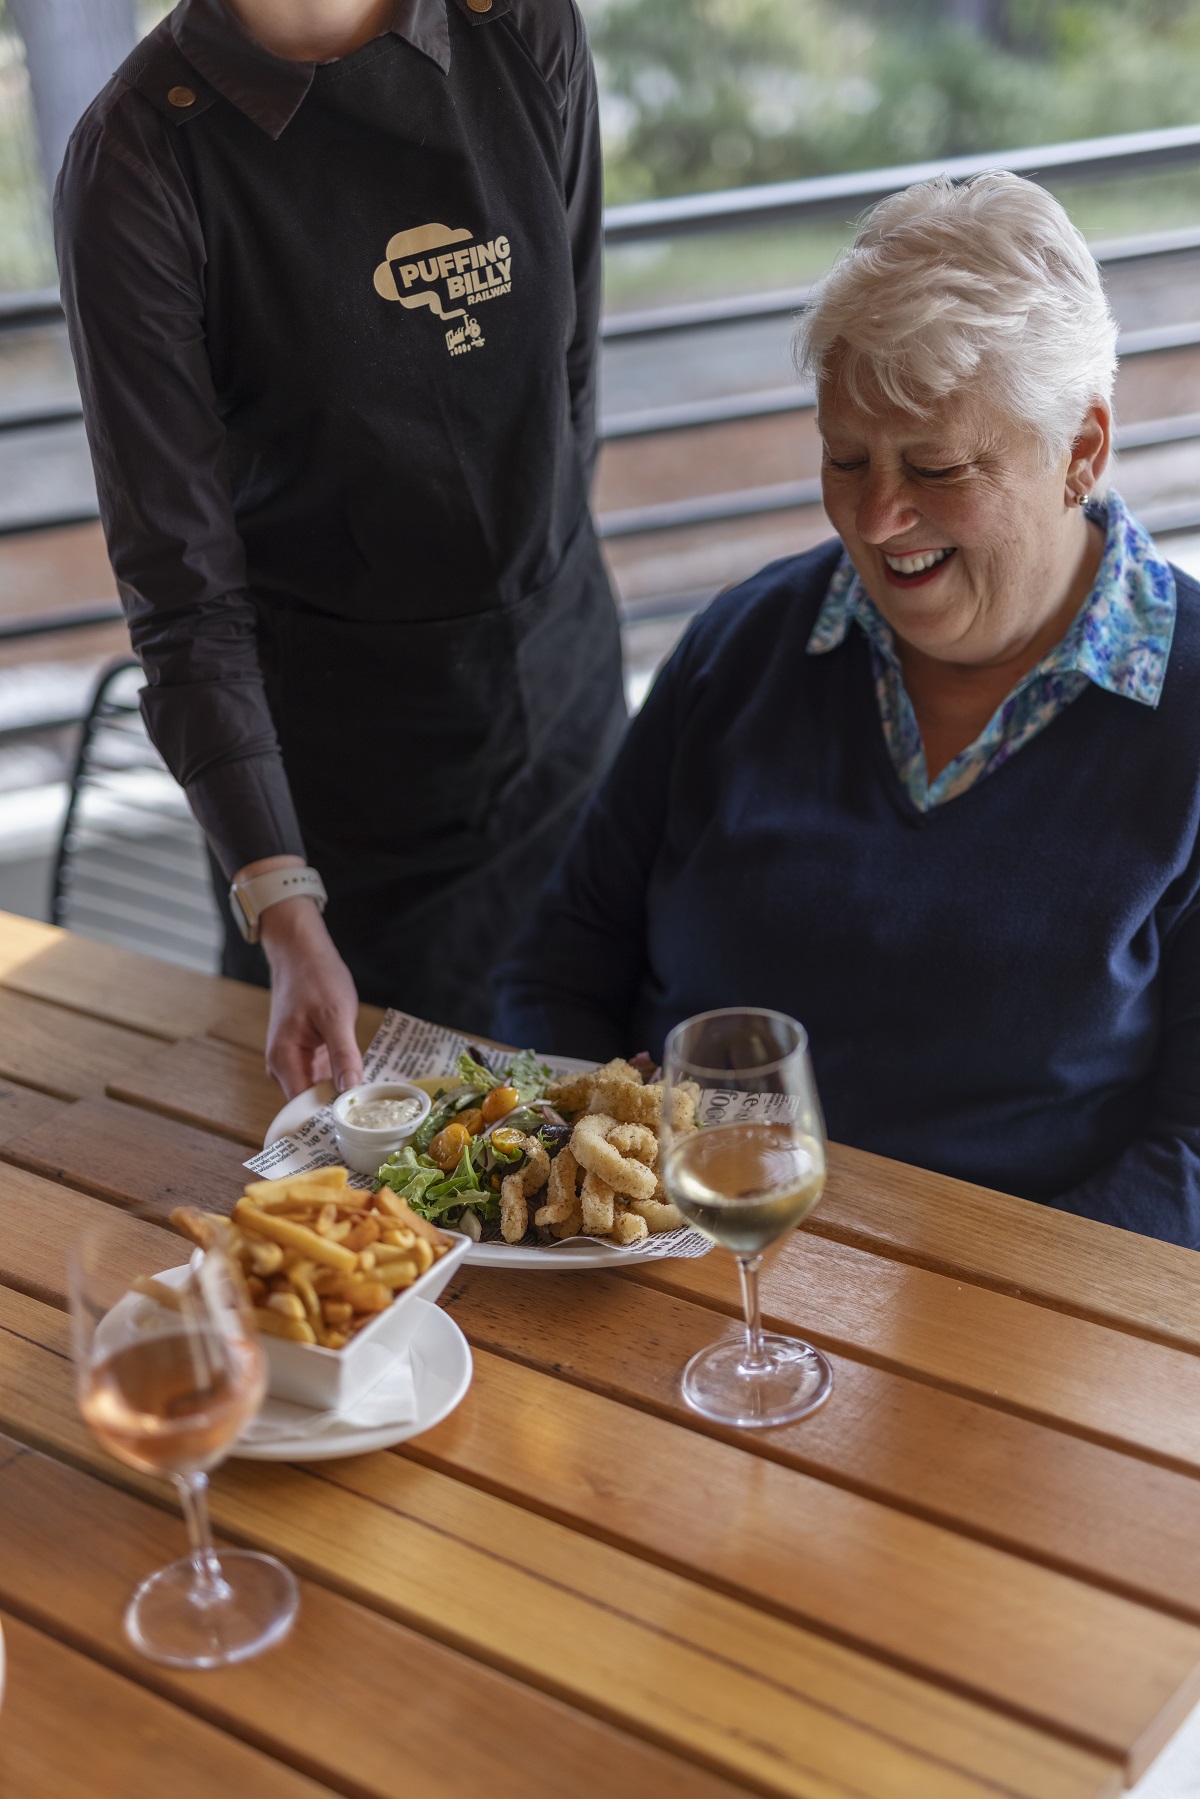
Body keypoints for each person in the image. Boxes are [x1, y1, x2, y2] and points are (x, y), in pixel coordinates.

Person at [495, 171, 1200, 1248]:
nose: (876, 516)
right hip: (684, 1268)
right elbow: (562, 962)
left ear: (1083, 450)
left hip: (1011, 1328)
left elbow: (1190, 1154)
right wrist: (593, 1179)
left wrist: (964, 1316)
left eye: (938, 465)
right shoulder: (742, 645)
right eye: (844, 456)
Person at [54, 0, 625, 1097]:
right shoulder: (137, 156)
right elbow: (184, 597)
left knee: (620, 1185)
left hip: (573, 744)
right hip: (353, 835)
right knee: (395, 1228)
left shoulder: (520, 27)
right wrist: (282, 900)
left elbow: (569, 390)